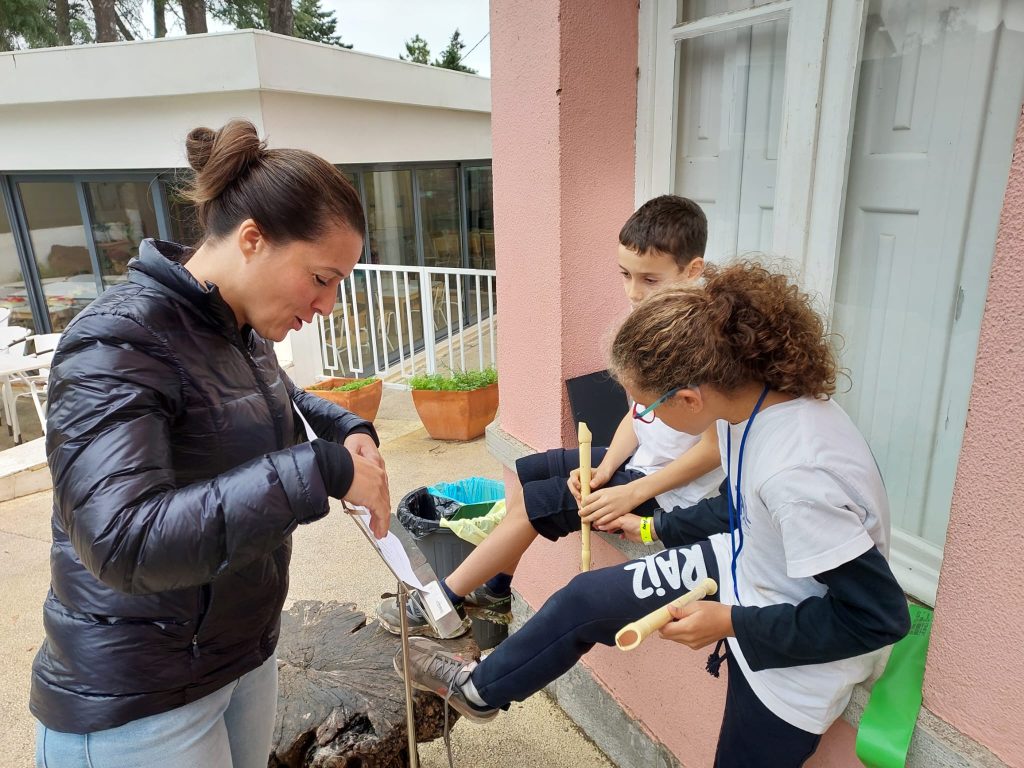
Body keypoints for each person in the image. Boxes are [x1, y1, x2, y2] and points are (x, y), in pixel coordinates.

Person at [396, 262, 912, 767]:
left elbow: (876, 619)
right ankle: (479, 691)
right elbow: (740, 508)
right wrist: (653, 526)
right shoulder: (748, 405)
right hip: (749, 569)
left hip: (794, 663)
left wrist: (731, 622)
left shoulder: (796, 477)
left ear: (688, 398)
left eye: (649, 408)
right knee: (585, 599)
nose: (643, 418)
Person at [30, 120, 392, 768]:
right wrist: (323, 470)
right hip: (139, 700)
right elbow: (122, 540)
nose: (329, 305)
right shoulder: (116, 340)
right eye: (321, 277)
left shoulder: (241, 328)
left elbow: (279, 403)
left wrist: (349, 430)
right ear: (253, 239)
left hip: (237, 659)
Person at [377, 195, 725, 637]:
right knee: (530, 472)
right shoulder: (655, 320)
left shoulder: (706, 343)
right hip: (641, 463)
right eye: (625, 275)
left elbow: (714, 452)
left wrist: (630, 491)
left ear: (692, 270)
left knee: (537, 504)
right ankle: (497, 588)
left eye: (649, 279)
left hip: (671, 492)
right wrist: (605, 469)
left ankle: (443, 601)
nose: (634, 293)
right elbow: (639, 417)